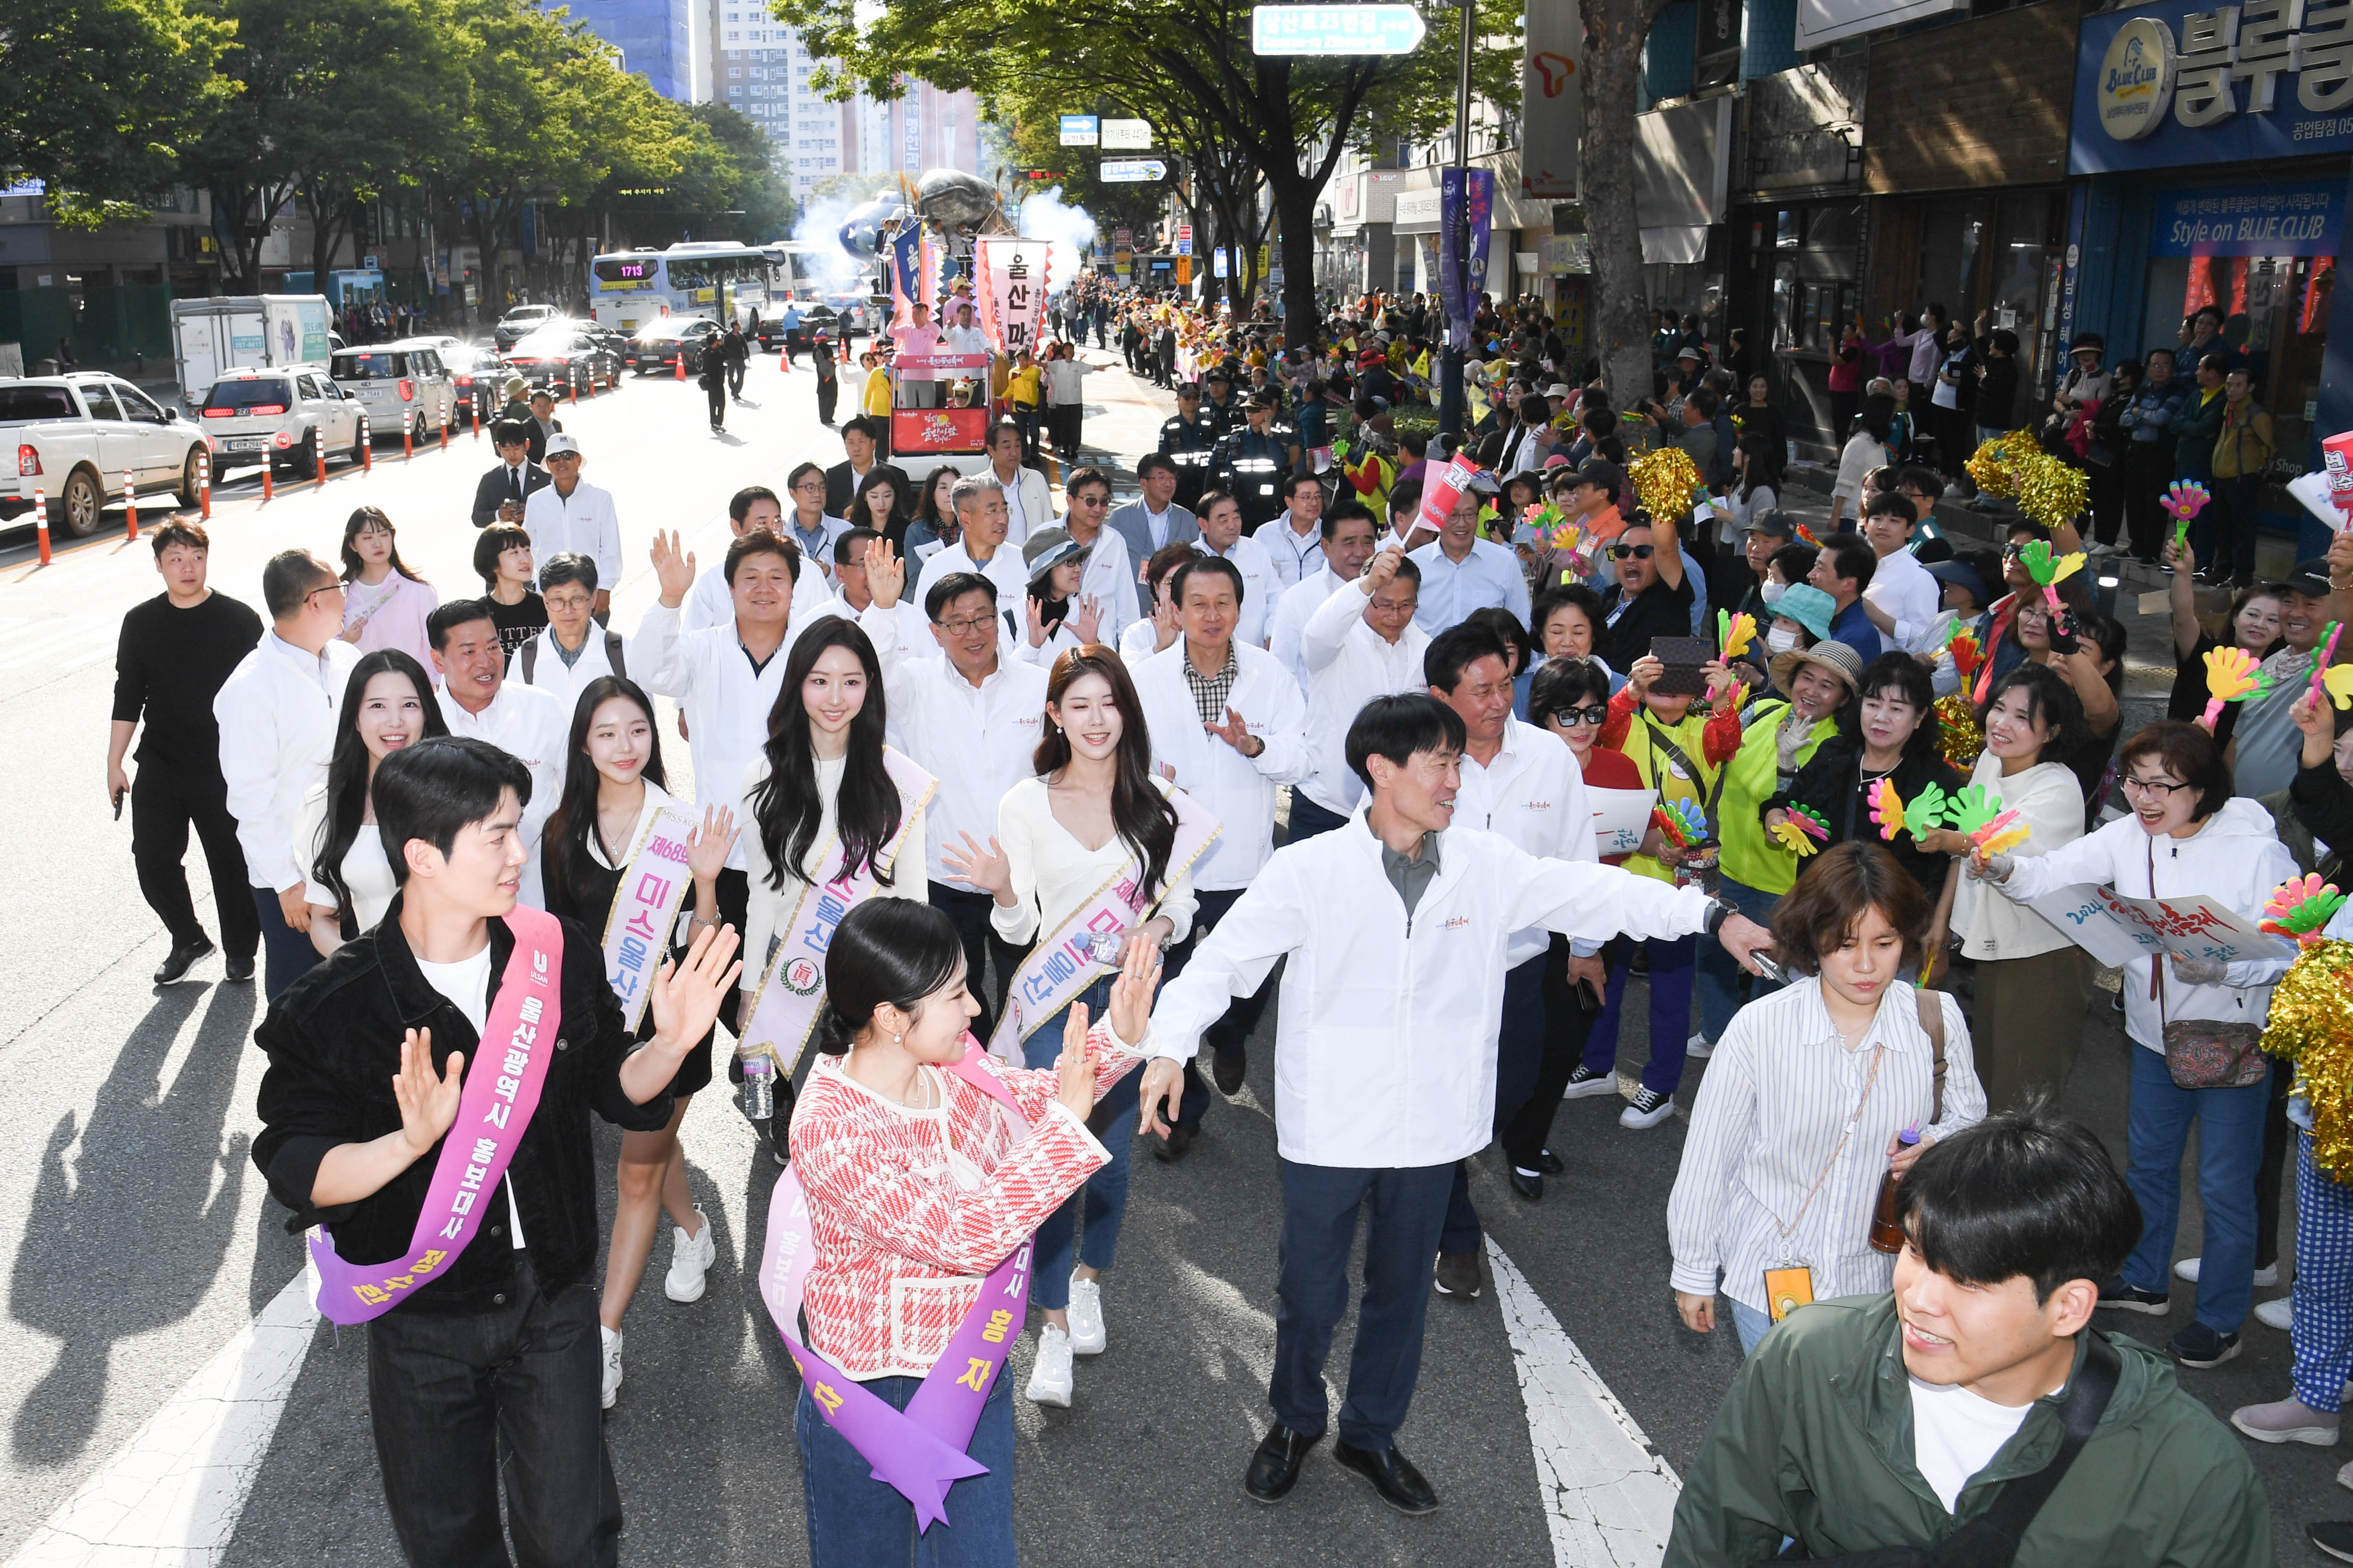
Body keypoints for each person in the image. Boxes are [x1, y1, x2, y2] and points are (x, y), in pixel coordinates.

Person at [1129, 692, 1771, 1513]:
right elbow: (1220, 964)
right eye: (1438, 761)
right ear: (1380, 770)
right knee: (1310, 1293)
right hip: (1330, 1123)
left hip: (1431, 1127)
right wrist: (1169, 1045)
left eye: (1456, 761)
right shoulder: (1309, 870)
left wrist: (1706, 914)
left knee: (1399, 1293)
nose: (1454, 779)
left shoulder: (1483, 863)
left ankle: (1369, 1433)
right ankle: (1293, 1420)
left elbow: (1592, 893)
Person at [250, 736, 740, 1568]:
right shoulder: (333, 1005)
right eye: (496, 835)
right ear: (422, 855)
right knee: (447, 1541)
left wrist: (667, 1041)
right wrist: (405, 1143)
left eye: (517, 829)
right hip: (420, 1316)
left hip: (551, 1299)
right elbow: (297, 1162)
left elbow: (615, 1084)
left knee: (574, 1535)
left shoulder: (549, 955)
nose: (520, 852)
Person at [1662, 1106, 2270, 1567]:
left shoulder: (2192, 1473)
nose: (1919, 1299)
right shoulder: (1808, 1358)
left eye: (1969, 1281)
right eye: (1916, 1252)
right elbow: (1715, 1535)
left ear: (2068, 1307)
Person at [783, 901, 1155, 1564]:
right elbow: (967, 1235)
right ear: (892, 1017)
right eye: (955, 995)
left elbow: (1040, 1098)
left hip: (970, 1376)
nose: (974, 1010)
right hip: (869, 1397)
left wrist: (1117, 1038)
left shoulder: (949, 1071)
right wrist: (1068, 1130)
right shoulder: (830, 1126)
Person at [1980, 720, 2298, 1368]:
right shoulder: (2127, 835)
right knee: (2147, 1166)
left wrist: (2225, 968)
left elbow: (2290, 948)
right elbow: (2049, 875)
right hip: (2150, 1033)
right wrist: (2004, 866)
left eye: (2163, 785)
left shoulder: (2255, 850)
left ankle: (2218, 1319)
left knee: (2223, 1183)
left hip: (2228, 1039)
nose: (2145, 798)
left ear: (2203, 788)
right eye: (2134, 782)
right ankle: (2146, 1282)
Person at [939, 647, 1200, 1408]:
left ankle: (1089, 1277)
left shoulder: (1159, 804)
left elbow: (1180, 905)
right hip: (1052, 1009)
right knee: (1056, 1164)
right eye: (1077, 704)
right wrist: (1001, 889)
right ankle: (1048, 1325)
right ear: (1054, 713)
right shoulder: (1022, 802)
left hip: (1126, 1006)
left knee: (1112, 1162)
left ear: (1126, 710)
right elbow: (1018, 927)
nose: (1094, 719)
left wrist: (1152, 925)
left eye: (1107, 703)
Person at [1670, 840, 1985, 1354]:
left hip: (1884, 1281)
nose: (1865, 965)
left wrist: (1935, 1143)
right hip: (1769, 1269)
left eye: (1883, 944)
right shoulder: (1760, 1028)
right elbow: (1709, 1158)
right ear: (1812, 940)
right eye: (1844, 945)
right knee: (1787, 1422)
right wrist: (1692, 1269)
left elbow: (1969, 1119)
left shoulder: (1934, 1020)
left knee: (1850, 1427)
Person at [1423, 622, 1596, 1273]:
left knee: (1512, 1087)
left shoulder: (1548, 756)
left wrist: (1585, 945)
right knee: (1443, 1090)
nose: (1497, 702)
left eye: (1504, 686)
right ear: (1440, 696)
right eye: (1479, 691)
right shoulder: (1415, 757)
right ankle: (1454, 1232)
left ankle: (1434, 1166)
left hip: (1523, 962)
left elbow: (1575, 851)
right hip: (1438, 966)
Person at [737, 601, 933, 1163]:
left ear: (869, 688)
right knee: (803, 1117)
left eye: (850, 682)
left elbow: (912, 896)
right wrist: (752, 983)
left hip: (868, 973)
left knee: (867, 1124)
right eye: (819, 681)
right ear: (797, 684)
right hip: (790, 967)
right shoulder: (762, 778)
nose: (834, 697)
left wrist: (911, 988)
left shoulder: (897, 779)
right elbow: (761, 891)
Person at [1131, 553, 1310, 1155]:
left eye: (1223, 604)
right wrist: (1152, 780)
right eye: (1198, 604)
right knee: (1168, 990)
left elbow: (1300, 759)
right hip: (1172, 868)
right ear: (1174, 610)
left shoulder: (1270, 675)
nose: (1212, 615)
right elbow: (1120, 761)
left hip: (1244, 862)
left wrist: (1253, 745)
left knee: (1247, 983)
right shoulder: (1144, 680)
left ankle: (1231, 1037)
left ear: (1240, 607)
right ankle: (1182, 1115)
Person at [865, 560, 1050, 1041]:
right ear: (935, 631)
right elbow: (874, 670)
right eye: (957, 622)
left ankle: (1019, 1075)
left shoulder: (1037, 686)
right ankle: (976, 1077)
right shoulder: (916, 686)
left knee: (1027, 987)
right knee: (955, 996)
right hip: (945, 877)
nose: (974, 631)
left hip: (1024, 872)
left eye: (984, 616)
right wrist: (884, 608)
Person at [1911, 664, 2092, 1113]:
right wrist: (1942, 925)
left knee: (2022, 1090)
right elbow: (1967, 835)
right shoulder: (1992, 760)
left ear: (2050, 731)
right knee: (1984, 1076)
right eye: (1998, 708)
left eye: (2021, 717)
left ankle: (2023, 1180)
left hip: (2041, 954)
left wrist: (1946, 839)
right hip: (1994, 945)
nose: (2001, 723)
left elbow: (1994, 850)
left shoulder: (2057, 788)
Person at [638, 529, 804, 1016]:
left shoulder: (811, 651)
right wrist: (671, 599)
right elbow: (653, 671)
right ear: (729, 588)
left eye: (777, 577)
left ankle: (782, 1081)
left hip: (797, 848)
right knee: (728, 982)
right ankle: (754, 1073)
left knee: (798, 980)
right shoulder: (702, 648)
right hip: (724, 852)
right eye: (749, 577)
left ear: (793, 587)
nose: (763, 587)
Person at [112, 521, 264, 985]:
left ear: (207, 558)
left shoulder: (239, 620)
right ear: (158, 565)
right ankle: (188, 938)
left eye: (195, 556)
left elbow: (262, 694)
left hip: (224, 763)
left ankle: (240, 950)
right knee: (152, 858)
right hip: (160, 760)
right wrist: (114, 763)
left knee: (230, 862)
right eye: (175, 558)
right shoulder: (140, 622)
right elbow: (128, 693)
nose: (187, 567)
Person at [1690, 638, 1861, 1054]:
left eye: (1828, 685)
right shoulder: (1763, 711)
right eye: (1807, 678)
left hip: (1785, 884)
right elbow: (1714, 745)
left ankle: (1752, 1053)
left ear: (1842, 699)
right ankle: (1716, 1033)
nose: (1813, 691)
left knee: (1770, 974)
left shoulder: (1837, 746)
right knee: (1711, 954)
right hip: (1728, 866)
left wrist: (1790, 767)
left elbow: (1797, 811)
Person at [216, 549, 363, 999]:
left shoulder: (347, 660)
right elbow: (250, 800)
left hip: (356, 858)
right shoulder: (250, 689)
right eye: (339, 588)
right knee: (299, 1002)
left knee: (361, 992)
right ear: (314, 601)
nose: (346, 596)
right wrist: (287, 881)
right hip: (294, 877)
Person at [1766, 652, 1966, 946]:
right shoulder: (1834, 754)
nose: (1881, 718)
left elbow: (1955, 856)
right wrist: (1775, 819)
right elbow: (1786, 803)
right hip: (1822, 918)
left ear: (1920, 717)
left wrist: (1939, 926)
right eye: (1873, 705)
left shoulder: (1935, 779)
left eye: (1897, 709)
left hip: (1895, 930)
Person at [298, 651, 449, 958]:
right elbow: (323, 918)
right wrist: (361, 967)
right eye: (377, 706)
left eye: (410, 705)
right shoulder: (327, 803)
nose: (395, 721)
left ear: (427, 713)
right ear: (355, 717)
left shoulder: (460, 794)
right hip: (382, 982)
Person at [427, 599, 567, 909]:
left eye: (493, 647)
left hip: (544, 889)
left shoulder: (543, 709)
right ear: (438, 661)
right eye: (468, 652)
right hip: (455, 904)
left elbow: (578, 791)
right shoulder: (423, 725)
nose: (486, 662)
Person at [1293, 548, 1432, 839]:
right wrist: (1366, 583)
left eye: (1406, 605)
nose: (1395, 616)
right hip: (1327, 805)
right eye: (1384, 605)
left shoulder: (1426, 649)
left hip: (1396, 810)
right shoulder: (1336, 641)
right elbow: (1316, 635)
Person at [2164, 549, 2283, 754]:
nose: (2260, 624)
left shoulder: (2276, 679)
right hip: (2177, 758)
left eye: (2272, 620)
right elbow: (2183, 619)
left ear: (2282, 631)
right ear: (2236, 618)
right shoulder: (2207, 656)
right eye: (2253, 614)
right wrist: (2184, 573)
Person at [513, 555, 653, 714]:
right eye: (558, 599)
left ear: (594, 598)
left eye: (577, 598)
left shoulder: (623, 653)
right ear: (545, 601)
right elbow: (514, 726)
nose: (568, 610)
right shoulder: (526, 658)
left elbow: (644, 723)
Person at [685, 485, 830, 635]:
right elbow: (692, 644)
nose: (773, 530)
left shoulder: (809, 572)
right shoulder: (712, 582)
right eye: (762, 523)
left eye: (777, 521)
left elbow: (829, 629)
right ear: (736, 527)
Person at [1270, 504, 1379, 689]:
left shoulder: (1386, 592)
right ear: (1326, 547)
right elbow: (1282, 672)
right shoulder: (1297, 600)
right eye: (1349, 543)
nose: (1360, 552)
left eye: (1367, 542)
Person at [1408, 480, 1532, 636]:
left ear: (1478, 517)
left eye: (1469, 515)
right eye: (1452, 515)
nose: (1462, 523)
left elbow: (1521, 624)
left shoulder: (1505, 562)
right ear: (1438, 518)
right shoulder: (1414, 564)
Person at [523, 434, 621, 620]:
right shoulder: (536, 502)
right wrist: (536, 588)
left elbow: (610, 548)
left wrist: (605, 589)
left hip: (590, 594)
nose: (561, 462)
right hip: (551, 597)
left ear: (578, 460)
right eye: (555, 458)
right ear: (548, 465)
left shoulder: (600, 499)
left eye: (568, 455)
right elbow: (530, 548)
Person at [335, 507, 439, 675]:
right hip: (363, 692)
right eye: (368, 538)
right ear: (352, 545)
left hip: (412, 689)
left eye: (384, 535)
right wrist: (347, 641)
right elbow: (326, 650)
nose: (378, 543)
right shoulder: (341, 595)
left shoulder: (418, 591)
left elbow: (434, 647)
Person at [1055, 465, 1139, 646]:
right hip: (1052, 642)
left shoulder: (1115, 542)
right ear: (1070, 501)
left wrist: (1128, 656)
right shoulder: (1047, 535)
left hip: (1100, 646)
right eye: (1091, 501)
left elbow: (1127, 606)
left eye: (1104, 502)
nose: (1098, 509)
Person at [1107, 454, 1200, 612]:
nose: (1168, 483)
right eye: (1161, 477)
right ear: (1144, 483)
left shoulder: (1188, 519)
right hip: (1132, 605)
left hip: (1176, 607)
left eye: (1172, 478)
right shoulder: (1121, 518)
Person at [2211, 367, 2277, 589]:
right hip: (2222, 477)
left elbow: (2268, 447)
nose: (2232, 390)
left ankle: (2242, 575)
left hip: (2243, 478)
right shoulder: (2229, 409)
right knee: (2222, 527)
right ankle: (2221, 570)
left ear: (2250, 388)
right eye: (2229, 385)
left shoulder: (2257, 415)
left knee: (2242, 530)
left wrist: (2257, 470)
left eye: (2238, 385)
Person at [1189, 488, 1278, 650]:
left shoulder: (1257, 551)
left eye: (1236, 517)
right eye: (1223, 520)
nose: (1232, 525)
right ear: (1204, 524)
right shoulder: (1190, 558)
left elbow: (1276, 597)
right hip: (1204, 653)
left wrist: (1271, 634)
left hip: (1254, 650)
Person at [2121, 347, 2186, 562]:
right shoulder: (2141, 391)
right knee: (2134, 501)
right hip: (2136, 452)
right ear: (2147, 368)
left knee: (2156, 504)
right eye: (2155, 365)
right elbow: (2124, 419)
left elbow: (2162, 418)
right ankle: (2136, 545)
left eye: (2166, 365)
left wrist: (2139, 413)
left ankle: (2152, 551)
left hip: (2160, 454)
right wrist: (2143, 415)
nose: (2160, 369)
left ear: (2174, 368)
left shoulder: (2177, 392)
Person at [1010, 526, 1105, 668]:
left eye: (1079, 561)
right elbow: (1004, 679)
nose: (1078, 569)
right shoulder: (1010, 620)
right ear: (1046, 570)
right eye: (1070, 562)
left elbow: (1113, 679)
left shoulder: (1090, 616)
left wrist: (1092, 646)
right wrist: (1032, 647)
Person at [1855, 492, 1937, 653]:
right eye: (1877, 519)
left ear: (1910, 530)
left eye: (1894, 521)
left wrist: (1873, 613)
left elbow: (1924, 638)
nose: (1883, 526)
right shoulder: (1852, 563)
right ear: (1865, 524)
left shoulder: (1919, 577)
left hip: (1882, 668)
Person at [1805, 532, 1885, 662]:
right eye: (1815, 566)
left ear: (1848, 584)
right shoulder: (1820, 615)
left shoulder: (1857, 639)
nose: (1810, 575)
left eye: (1820, 568)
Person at [474, 523, 548, 658]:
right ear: (493, 563)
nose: (525, 559)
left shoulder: (547, 607)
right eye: (514, 553)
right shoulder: (478, 615)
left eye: (527, 550)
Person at [823, 417, 908, 521]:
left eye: (861, 442)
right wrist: (845, 514)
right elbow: (825, 514)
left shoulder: (897, 475)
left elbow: (907, 513)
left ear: (874, 443)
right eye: (851, 443)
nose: (856, 448)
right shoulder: (834, 476)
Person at [1829, 396, 1894, 532]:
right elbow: (1844, 481)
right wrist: (1836, 516)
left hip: (1871, 513)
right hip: (1852, 516)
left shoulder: (1876, 443)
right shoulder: (1859, 443)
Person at [1256, 472, 1327, 592]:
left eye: (1318, 496)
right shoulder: (1266, 534)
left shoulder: (1330, 533)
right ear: (1289, 502)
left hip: (1319, 608)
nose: (1314, 503)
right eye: (1306, 497)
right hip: (1277, 608)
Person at [470, 422, 551, 529]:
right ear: (499, 448)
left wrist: (532, 511)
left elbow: (557, 510)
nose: (512, 454)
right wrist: (499, 515)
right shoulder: (489, 480)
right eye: (507, 449)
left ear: (527, 445)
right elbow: (477, 517)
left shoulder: (545, 476)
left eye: (517, 448)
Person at [902, 463, 964, 565]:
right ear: (932, 494)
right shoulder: (916, 531)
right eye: (943, 488)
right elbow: (916, 576)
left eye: (955, 487)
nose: (950, 493)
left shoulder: (971, 528)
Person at [810, 329, 839, 426]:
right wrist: (839, 358)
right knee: (831, 396)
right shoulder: (827, 348)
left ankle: (823, 417)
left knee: (822, 396)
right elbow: (830, 359)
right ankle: (828, 417)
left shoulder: (815, 348)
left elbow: (815, 361)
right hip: (829, 374)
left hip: (820, 374)